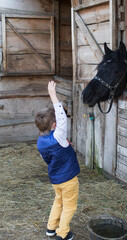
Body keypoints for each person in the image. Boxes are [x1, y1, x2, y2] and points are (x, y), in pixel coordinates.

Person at [35, 81, 80, 240]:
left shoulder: (40, 142)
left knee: (58, 201)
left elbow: (48, 157)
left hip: (55, 179)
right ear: (54, 125)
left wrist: (66, 146)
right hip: (68, 179)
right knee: (69, 206)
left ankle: (51, 228)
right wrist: (53, 95)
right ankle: (62, 233)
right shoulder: (58, 135)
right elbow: (62, 117)